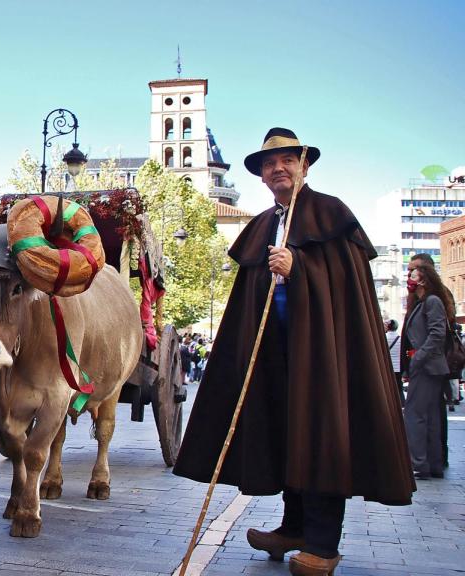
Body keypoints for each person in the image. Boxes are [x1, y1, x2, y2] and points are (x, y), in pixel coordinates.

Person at [173, 128, 414, 576]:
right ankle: (294, 527)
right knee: (286, 435)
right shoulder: (264, 224)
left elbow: (346, 285)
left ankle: (323, 543)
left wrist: (300, 266)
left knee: (321, 437)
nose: (278, 168)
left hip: (324, 356)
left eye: (286, 160)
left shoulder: (331, 213)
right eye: (269, 164)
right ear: (262, 177)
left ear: (304, 166)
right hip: (275, 356)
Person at [403, 263, 452, 479]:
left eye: (413, 274)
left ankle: (419, 463)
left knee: (415, 415)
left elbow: (437, 334)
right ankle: (433, 463)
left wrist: (418, 359)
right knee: (430, 417)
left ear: (423, 280)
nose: (409, 277)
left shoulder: (431, 302)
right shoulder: (424, 303)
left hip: (426, 367)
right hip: (430, 366)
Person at [385, 319, 403, 404]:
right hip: (398, 367)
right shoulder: (400, 339)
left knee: (388, 386)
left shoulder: (384, 338)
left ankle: (390, 403)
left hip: (388, 367)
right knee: (399, 386)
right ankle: (401, 402)